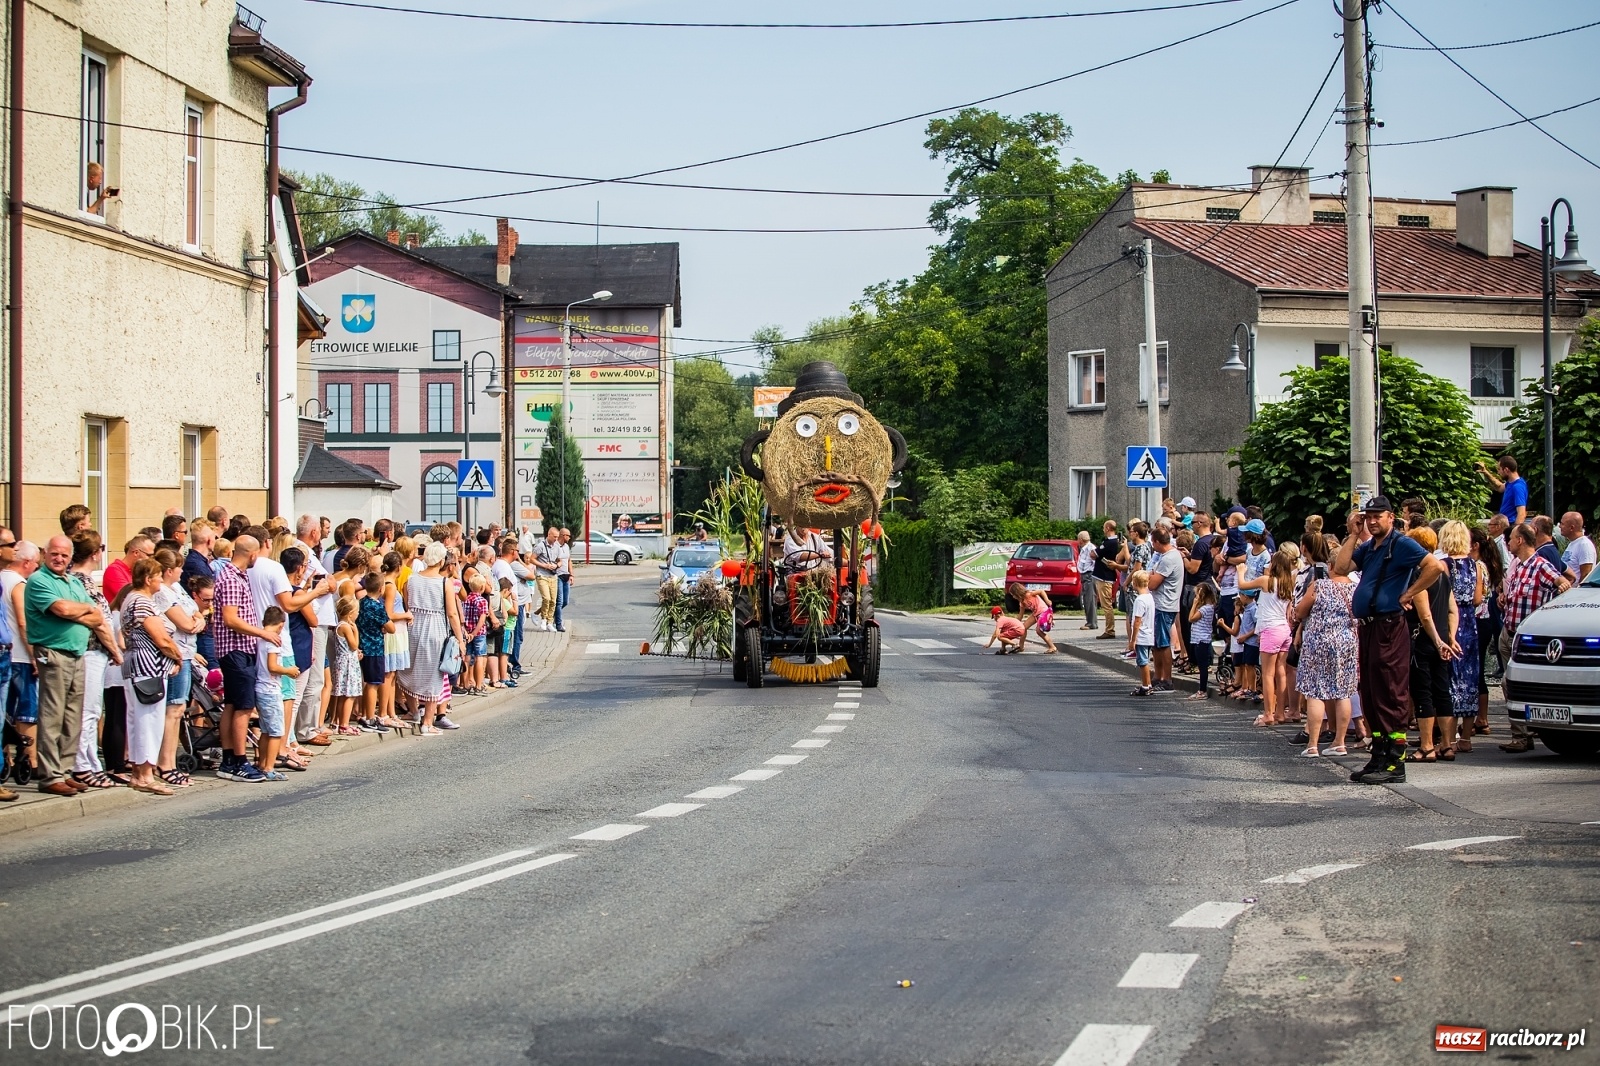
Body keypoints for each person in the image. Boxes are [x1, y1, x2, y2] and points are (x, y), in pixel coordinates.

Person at [1333, 495, 1446, 785]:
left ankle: (1396, 762)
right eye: (1368, 516)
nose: (1372, 521)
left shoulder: (1401, 544)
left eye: (1377, 516)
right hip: (1369, 627)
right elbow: (1341, 568)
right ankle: (1379, 756)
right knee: (1371, 693)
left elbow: (1434, 567)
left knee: (1390, 691)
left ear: (1391, 518)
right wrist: (1353, 534)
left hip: (1389, 626)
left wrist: (1409, 593)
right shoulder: (1369, 546)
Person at [22, 536, 105, 796]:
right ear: (45, 554)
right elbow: (61, 609)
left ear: (70, 557)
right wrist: (81, 610)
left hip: (77, 653)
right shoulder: (39, 580)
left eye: (64, 555)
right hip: (53, 653)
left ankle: (66, 771)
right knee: (53, 715)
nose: (59, 559)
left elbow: (97, 616)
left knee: (73, 717)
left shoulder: (72, 582)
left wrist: (78, 610)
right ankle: (50, 776)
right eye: (54, 554)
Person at [1497, 522, 1570, 753]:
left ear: (1520, 541)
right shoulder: (1519, 566)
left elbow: (1564, 583)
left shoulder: (1540, 565)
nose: (1508, 543)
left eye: (1511, 539)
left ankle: (1523, 734)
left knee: (1510, 683)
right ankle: (1522, 734)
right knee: (1511, 685)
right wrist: (1504, 599)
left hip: (1526, 639)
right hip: (1508, 633)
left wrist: (1555, 606)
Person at [210, 536, 273, 782]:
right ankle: (238, 760)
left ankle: (229, 759)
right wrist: (261, 632)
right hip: (235, 649)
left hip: (239, 649)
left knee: (233, 704)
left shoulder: (238, 576)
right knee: (244, 706)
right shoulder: (231, 579)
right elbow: (230, 618)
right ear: (252, 554)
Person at [66, 533, 121, 790]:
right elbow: (97, 621)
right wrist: (114, 649)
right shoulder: (80, 581)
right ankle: (82, 765)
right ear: (96, 553)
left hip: (96, 652)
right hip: (90, 650)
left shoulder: (83, 580)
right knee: (87, 711)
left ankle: (91, 763)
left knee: (93, 710)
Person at [1294, 551, 1358, 757]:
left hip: (1318, 641)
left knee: (1315, 691)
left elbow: (1300, 611)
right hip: (1346, 642)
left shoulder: (1320, 585)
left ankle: (1312, 744)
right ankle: (1340, 742)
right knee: (1343, 692)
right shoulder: (1355, 588)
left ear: (1331, 565)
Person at [1405, 526, 1459, 763]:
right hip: (1444, 640)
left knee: (1423, 692)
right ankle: (1447, 744)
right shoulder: (1442, 574)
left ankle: (1427, 745)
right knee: (1442, 691)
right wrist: (1451, 638)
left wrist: (1437, 641)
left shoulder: (1420, 574)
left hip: (1424, 641)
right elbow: (1452, 609)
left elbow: (1424, 614)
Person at [398, 542, 463, 736]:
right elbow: (452, 614)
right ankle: (427, 722)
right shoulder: (445, 583)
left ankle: (413, 711)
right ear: (442, 561)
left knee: (409, 670)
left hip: (413, 627)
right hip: (435, 630)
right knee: (434, 675)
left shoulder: (411, 579)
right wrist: (460, 640)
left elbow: (407, 605)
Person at [151, 548, 204, 788]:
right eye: (179, 568)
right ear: (169, 570)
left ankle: (168, 761)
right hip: (175, 654)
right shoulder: (162, 592)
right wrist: (195, 621)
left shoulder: (177, 589)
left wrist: (198, 619)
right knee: (173, 708)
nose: (182, 572)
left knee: (179, 707)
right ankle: (166, 763)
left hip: (187, 652)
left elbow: (197, 614)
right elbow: (185, 623)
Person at [3, 539, 40, 785]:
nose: (36, 567)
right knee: (27, 710)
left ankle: (5, 758)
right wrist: (33, 655)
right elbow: (23, 622)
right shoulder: (19, 585)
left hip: (6, 654)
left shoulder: (1, 579)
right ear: (27, 562)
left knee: (5, 711)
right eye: (36, 563)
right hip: (19, 655)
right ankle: (31, 760)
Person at [254, 605, 298, 780]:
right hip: (270, 689)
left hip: (261, 688)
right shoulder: (273, 642)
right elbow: (272, 667)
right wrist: (289, 671)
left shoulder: (260, 639)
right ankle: (269, 768)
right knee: (276, 732)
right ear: (281, 625)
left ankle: (262, 764)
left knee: (266, 730)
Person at [1145, 527, 1183, 692]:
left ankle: (1166, 679)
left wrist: (1150, 576)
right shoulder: (1168, 556)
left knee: (1163, 642)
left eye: (1153, 542)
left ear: (1157, 542)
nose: (1152, 546)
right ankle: (1157, 676)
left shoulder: (1169, 558)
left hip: (1164, 604)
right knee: (1156, 643)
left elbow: (1152, 583)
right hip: (1160, 604)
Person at [356, 573, 393, 730]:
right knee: (373, 683)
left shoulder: (361, 602)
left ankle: (365, 714)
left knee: (368, 682)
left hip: (363, 644)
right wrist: (383, 627)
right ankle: (370, 718)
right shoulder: (377, 606)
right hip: (375, 647)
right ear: (380, 588)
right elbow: (391, 627)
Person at [329, 596, 363, 736]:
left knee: (343, 694)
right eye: (357, 612)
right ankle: (344, 724)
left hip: (344, 660)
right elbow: (354, 645)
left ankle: (339, 721)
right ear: (350, 613)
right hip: (348, 663)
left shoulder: (339, 626)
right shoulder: (346, 627)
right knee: (350, 694)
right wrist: (356, 631)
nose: (358, 614)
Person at [1187, 582, 1218, 700]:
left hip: (1201, 640)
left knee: (1202, 666)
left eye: (1196, 595)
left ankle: (1202, 690)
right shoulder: (1209, 607)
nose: (1195, 597)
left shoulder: (1205, 609)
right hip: (1199, 639)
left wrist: (1195, 604)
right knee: (1201, 665)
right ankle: (1201, 689)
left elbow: (1191, 618)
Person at [1127, 571, 1156, 696]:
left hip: (1142, 635)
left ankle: (1146, 686)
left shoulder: (1139, 600)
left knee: (1142, 661)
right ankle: (1148, 684)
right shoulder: (1150, 597)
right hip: (1149, 634)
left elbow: (1137, 621)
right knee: (1144, 659)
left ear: (1134, 583)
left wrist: (1133, 640)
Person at [1478, 454, 1528, 525]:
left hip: (1510, 524)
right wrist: (1486, 472)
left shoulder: (1517, 487)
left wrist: (1513, 530)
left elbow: (1522, 513)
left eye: (1499, 469)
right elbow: (1499, 487)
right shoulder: (1511, 483)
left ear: (1506, 470)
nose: (1498, 472)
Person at [102, 535, 153, 604]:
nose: (151, 559)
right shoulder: (114, 570)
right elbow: (130, 597)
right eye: (149, 555)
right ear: (136, 553)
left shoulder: (138, 571)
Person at [1093, 520, 1123, 639]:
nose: (1103, 529)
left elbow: (1094, 554)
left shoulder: (1110, 542)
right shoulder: (1111, 542)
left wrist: (1096, 553)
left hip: (1105, 576)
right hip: (1104, 576)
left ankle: (1110, 630)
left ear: (1108, 528)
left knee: (1106, 605)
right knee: (1105, 604)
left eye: (1104, 527)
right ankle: (1109, 629)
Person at [531, 528, 563, 631]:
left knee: (553, 600)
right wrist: (544, 565)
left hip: (553, 576)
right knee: (546, 598)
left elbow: (560, 561)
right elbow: (532, 559)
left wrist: (556, 565)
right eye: (554, 537)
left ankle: (550, 622)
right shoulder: (540, 546)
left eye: (557, 537)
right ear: (549, 535)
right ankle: (544, 619)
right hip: (542, 575)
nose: (556, 539)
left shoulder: (557, 547)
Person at [1558, 511, 1595, 584]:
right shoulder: (1573, 543)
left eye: (1562, 524)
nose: (1560, 526)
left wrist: (1578, 589)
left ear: (1571, 528)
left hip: (1576, 590)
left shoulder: (1584, 545)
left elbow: (1586, 574)